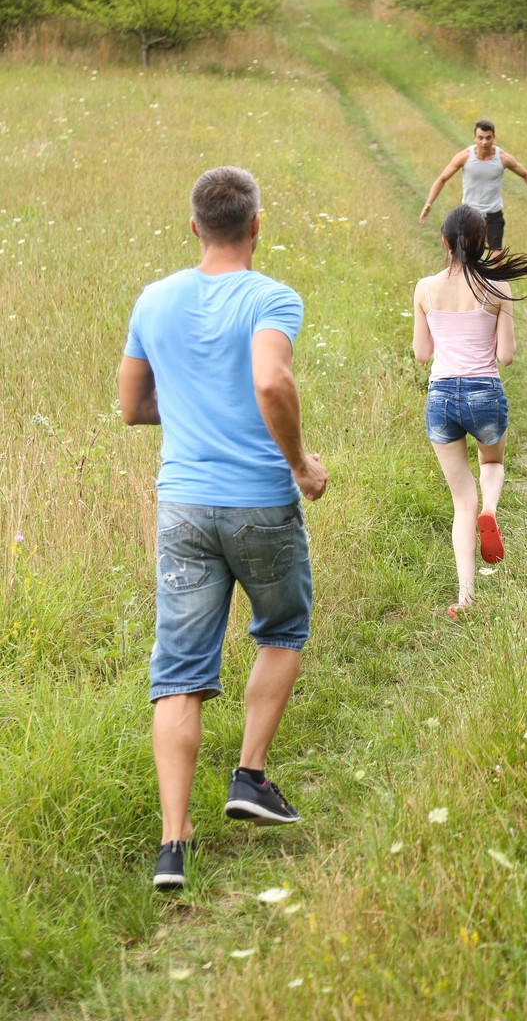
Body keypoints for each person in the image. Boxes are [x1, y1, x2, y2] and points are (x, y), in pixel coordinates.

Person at [118, 166, 328, 889]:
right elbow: (271, 379)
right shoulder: (271, 297)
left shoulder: (154, 299)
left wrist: (190, 405)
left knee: (178, 673)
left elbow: (132, 406)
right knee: (282, 629)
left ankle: (172, 846)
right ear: (256, 225)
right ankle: (249, 775)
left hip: (182, 507)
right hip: (260, 503)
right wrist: (300, 464)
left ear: (194, 227)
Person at [413, 204, 527, 618]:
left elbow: (422, 353)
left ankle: (465, 598)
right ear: (482, 243)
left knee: (461, 502)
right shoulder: (498, 288)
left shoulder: (425, 288)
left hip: (441, 397)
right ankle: (490, 508)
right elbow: (506, 355)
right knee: (491, 462)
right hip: (484, 393)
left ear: (444, 241)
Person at [418, 119, 527, 251]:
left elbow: (525, 174)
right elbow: (442, 179)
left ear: (494, 137)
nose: (484, 142)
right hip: (469, 214)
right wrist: (428, 204)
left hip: (493, 215)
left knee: (496, 259)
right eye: (480, 138)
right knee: (466, 257)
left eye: (488, 138)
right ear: (474, 138)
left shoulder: (503, 158)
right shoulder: (464, 157)